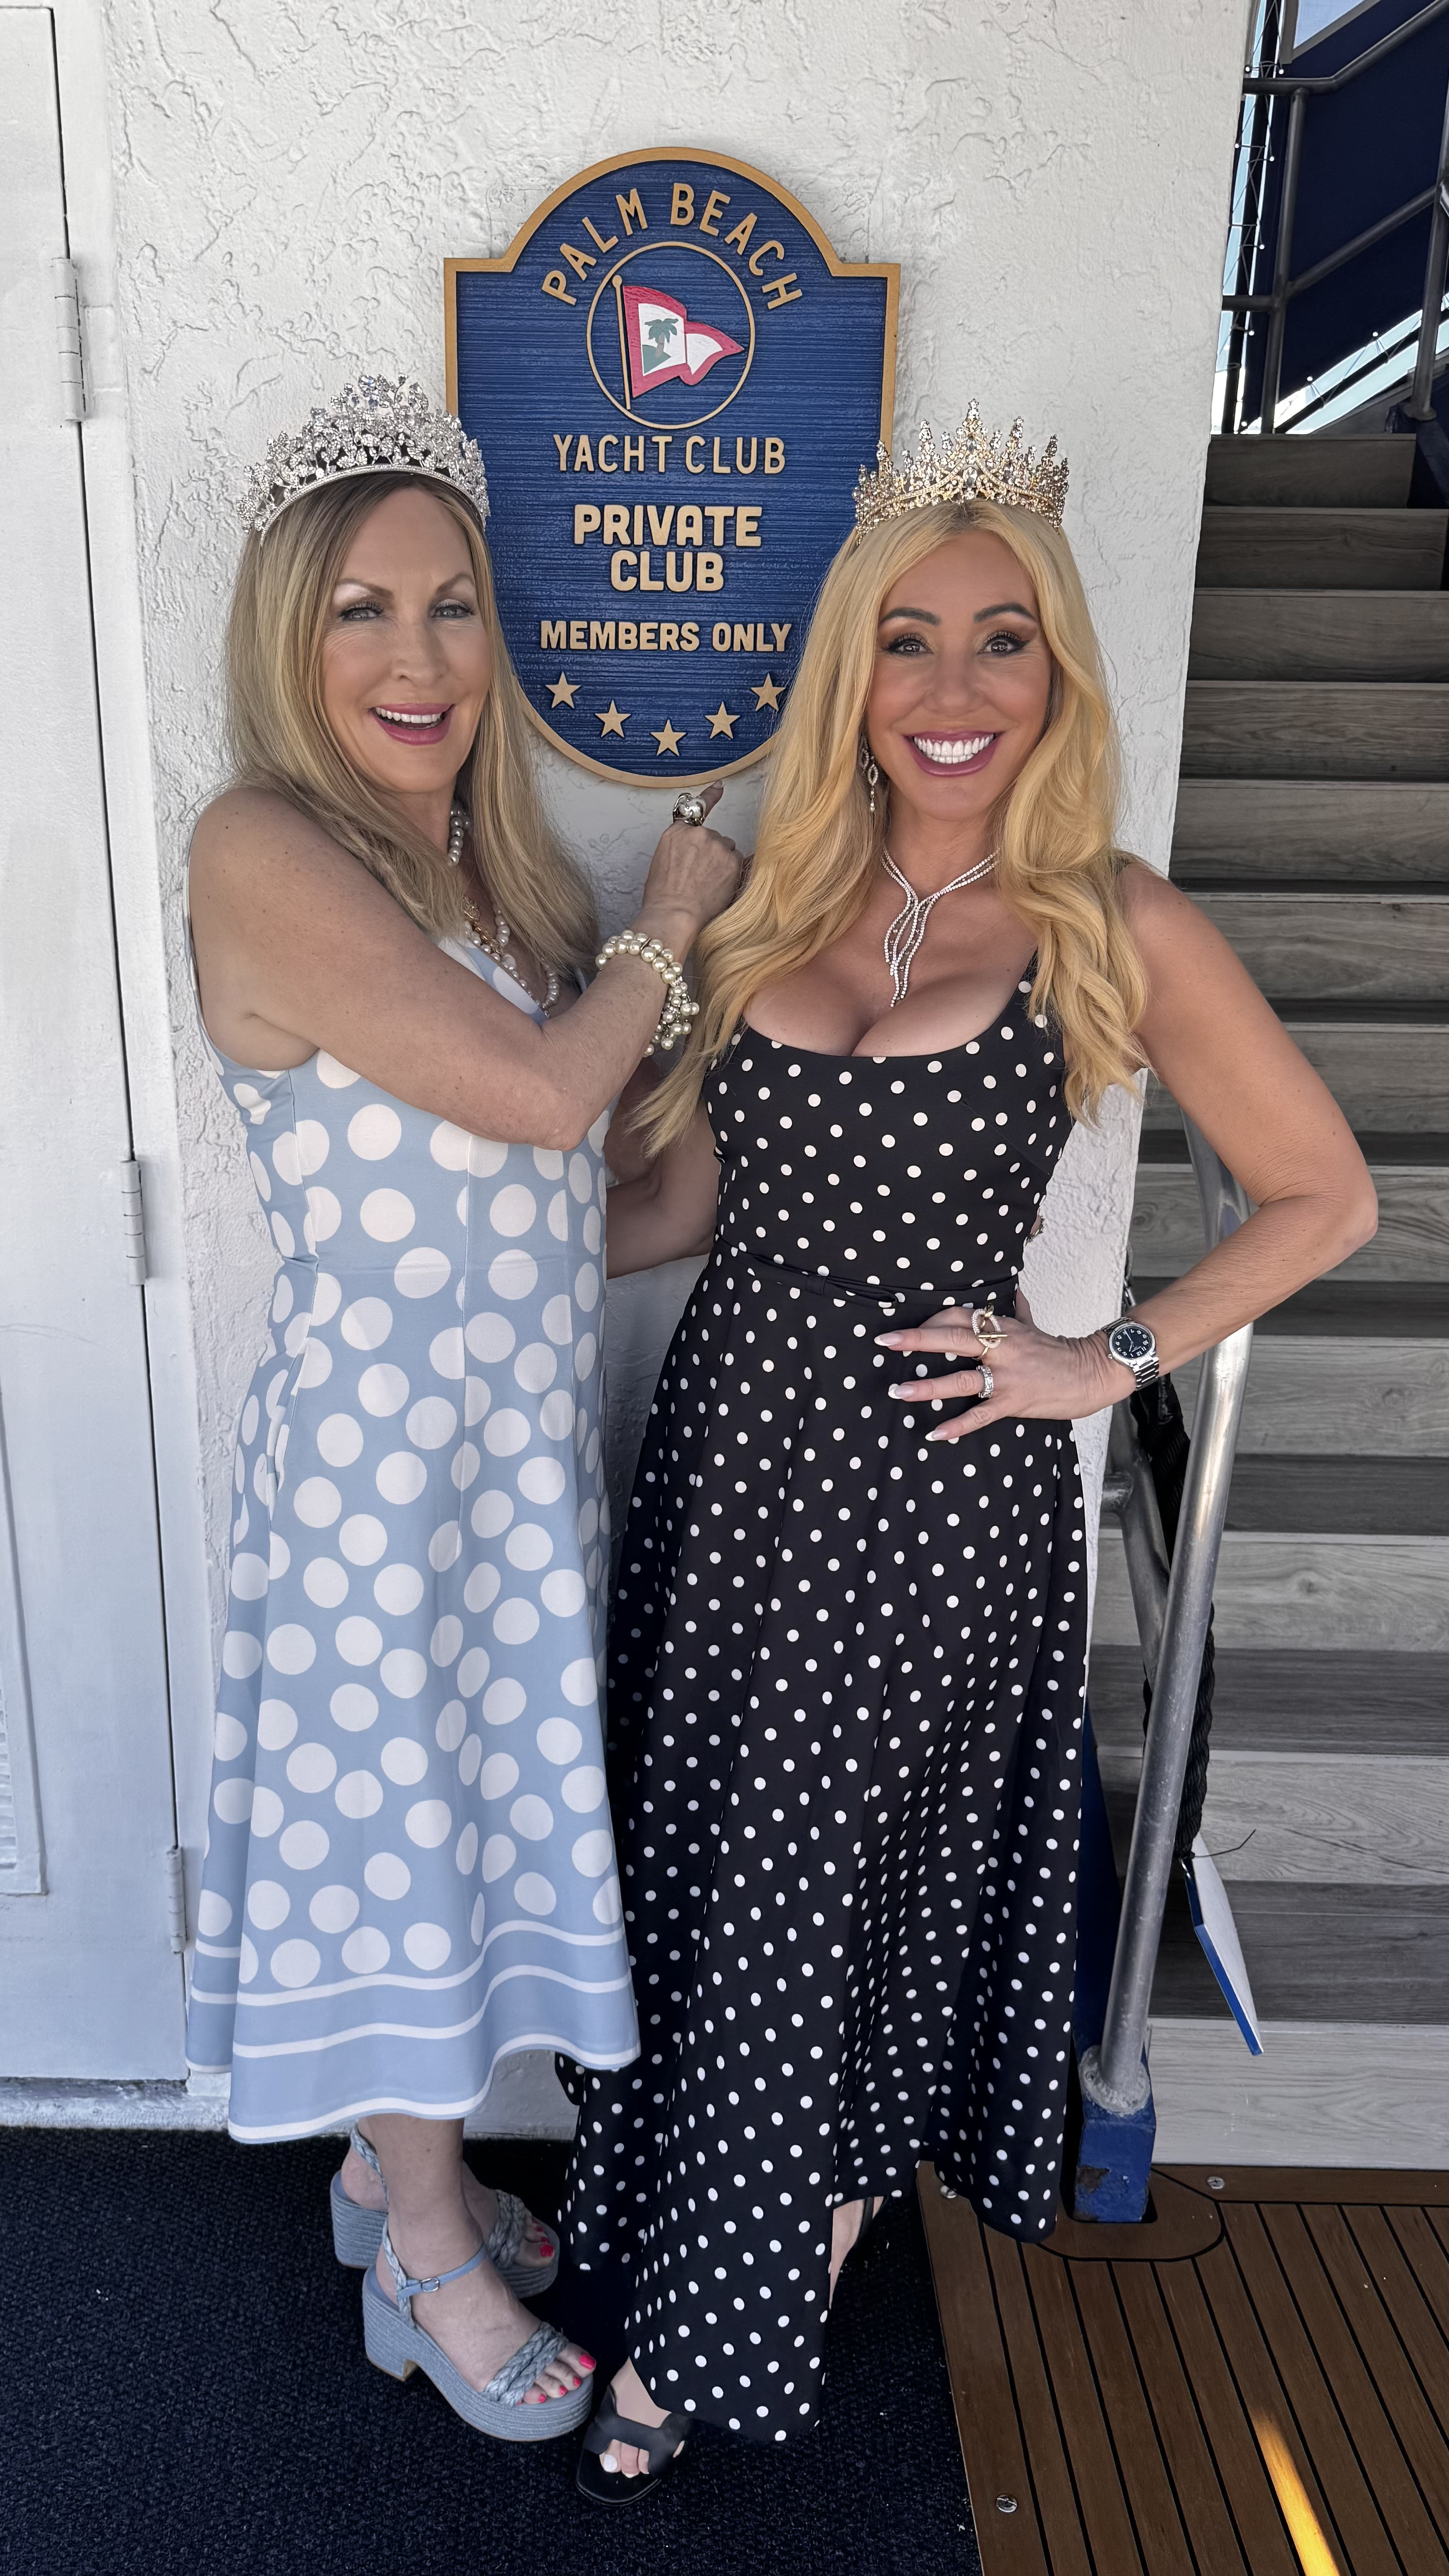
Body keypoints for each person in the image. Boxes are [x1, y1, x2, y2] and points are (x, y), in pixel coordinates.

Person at [564, 406, 1377, 2498]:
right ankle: (718, 2229)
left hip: (937, 1506)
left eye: (1000, 640)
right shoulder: (773, 902)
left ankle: (722, 2321)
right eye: (905, 642)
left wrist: (1104, 1358)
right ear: (850, 675)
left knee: (843, 1904)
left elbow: (1325, 1197)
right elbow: (683, 1206)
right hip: (733, 1475)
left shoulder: (1110, 917)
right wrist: (474, 1247)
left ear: (1057, 671)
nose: (950, 687)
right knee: (715, 1875)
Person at [183, 377, 740, 2443]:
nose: (414, 658)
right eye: (359, 611)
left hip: (509, 1459)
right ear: (289, 638)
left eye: (448, 606)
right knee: (396, 1839)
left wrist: (759, 1033)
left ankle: (381, 2175)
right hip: (376, 1465)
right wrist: (671, 927)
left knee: (465, 1823)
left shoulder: (499, 894)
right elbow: (527, 1095)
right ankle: (425, 2260)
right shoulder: (261, 846)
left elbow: (600, 1208)